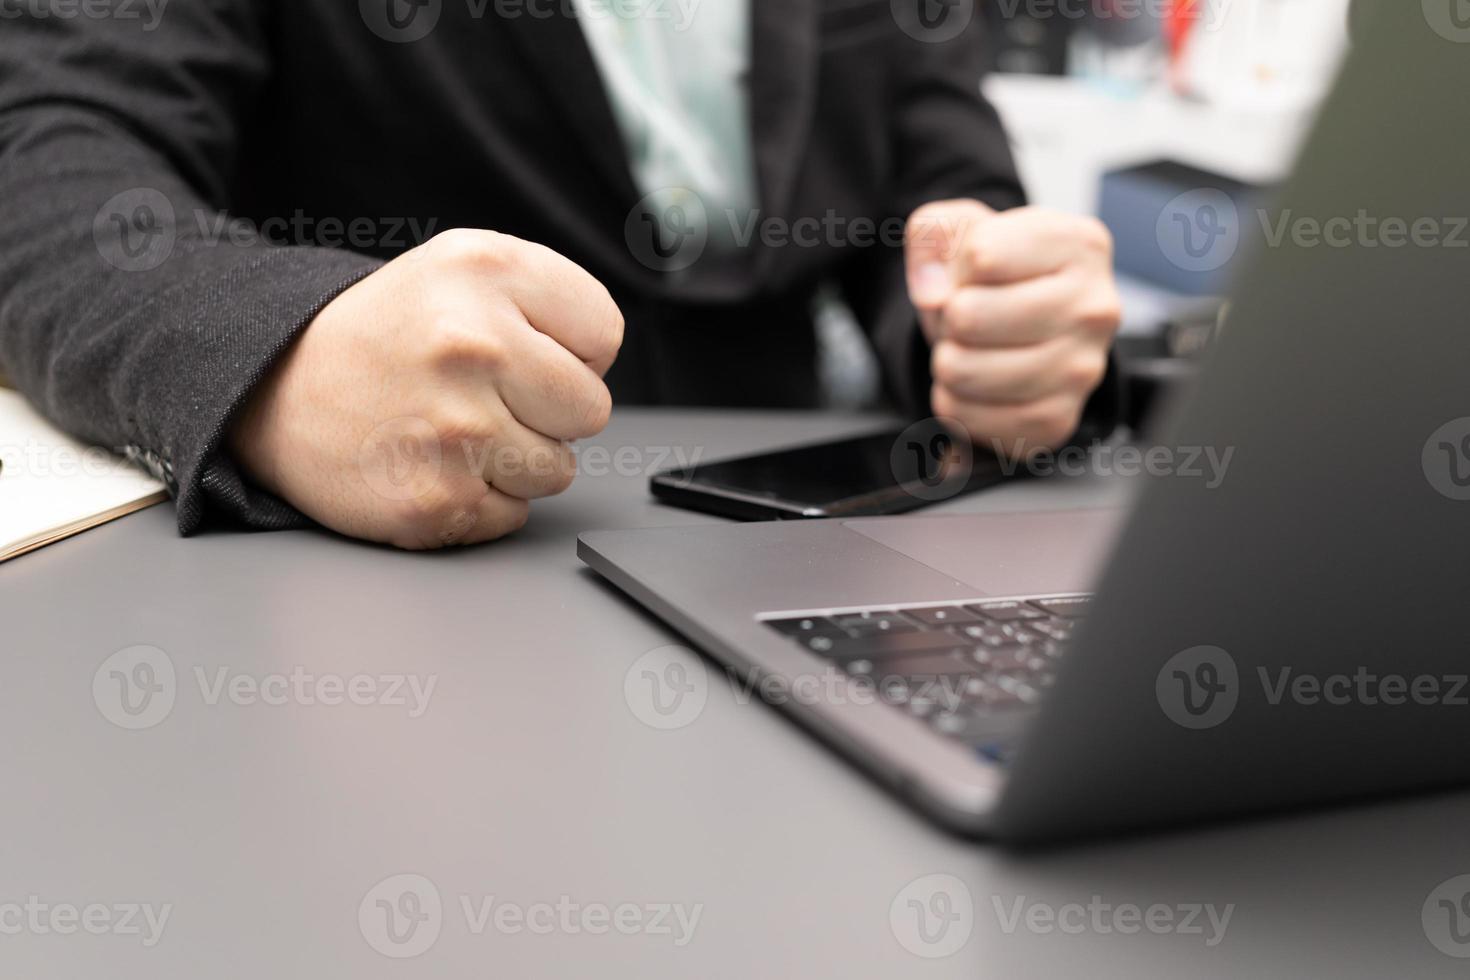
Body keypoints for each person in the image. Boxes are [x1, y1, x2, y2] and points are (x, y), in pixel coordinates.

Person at [0, 0, 1121, 550]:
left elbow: (937, 185)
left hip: (833, 535)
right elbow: (49, 152)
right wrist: (284, 349)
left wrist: (988, 315)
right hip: (435, 571)